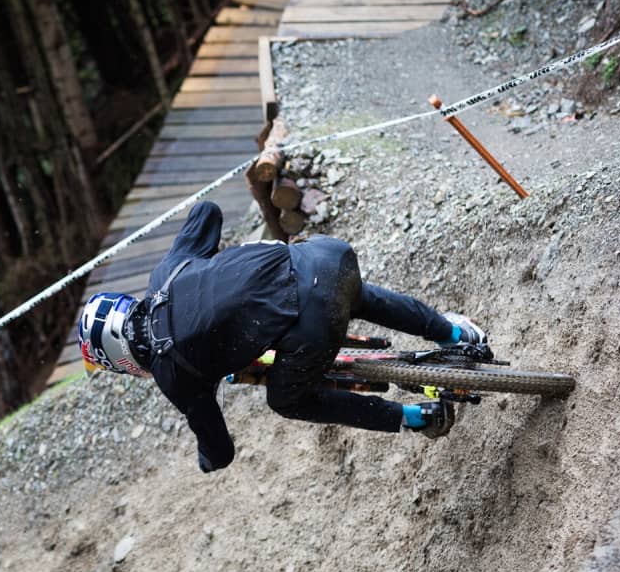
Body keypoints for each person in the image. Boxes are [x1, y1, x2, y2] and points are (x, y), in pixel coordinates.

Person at [78, 201, 487, 473]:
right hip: (323, 256)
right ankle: (454, 332)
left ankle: (416, 418)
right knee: (355, 296)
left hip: (311, 324)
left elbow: (220, 451)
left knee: (287, 400)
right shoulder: (165, 274)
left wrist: (205, 461)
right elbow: (207, 211)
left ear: (119, 358)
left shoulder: (171, 373)